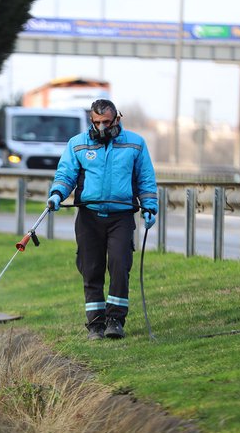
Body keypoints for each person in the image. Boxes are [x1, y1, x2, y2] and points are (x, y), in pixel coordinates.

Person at [47, 99, 158, 341]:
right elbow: (66, 174)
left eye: (106, 122)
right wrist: (57, 194)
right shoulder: (77, 145)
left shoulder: (135, 144)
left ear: (117, 119)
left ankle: (115, 321)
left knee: (119, 265)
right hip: (89, 216)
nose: (101, 128)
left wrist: (149, 206)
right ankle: (96, 323)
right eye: (96, 123)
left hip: (121, 216)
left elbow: (146, 179)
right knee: (91, 268)